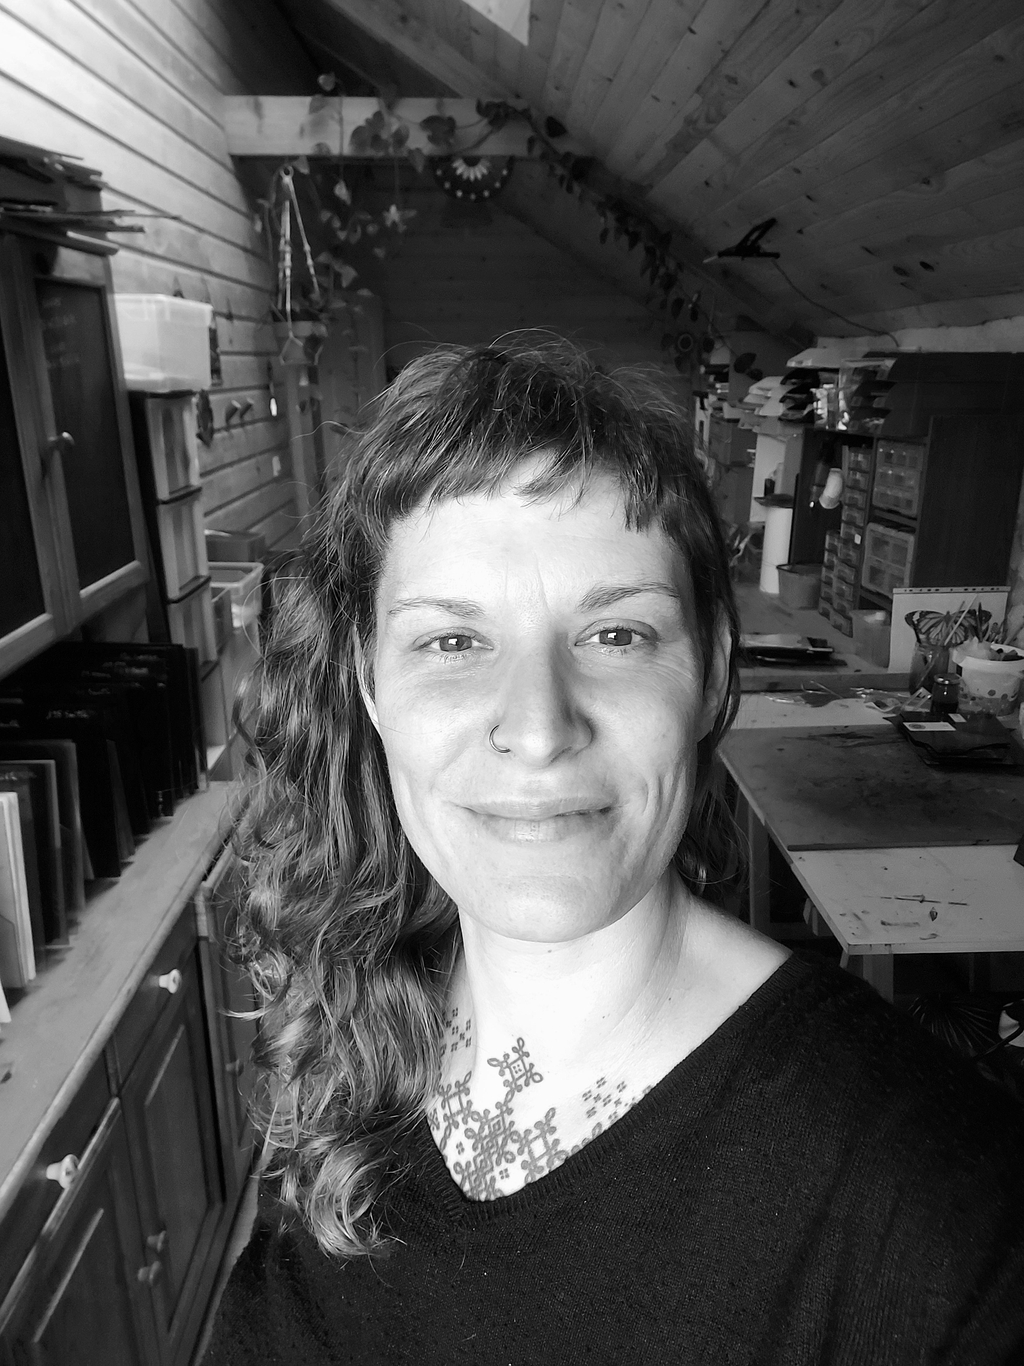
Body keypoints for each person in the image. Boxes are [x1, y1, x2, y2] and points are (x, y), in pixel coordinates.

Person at [204, 338, 1024, 1365]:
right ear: (371, 686)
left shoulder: (940, 1214)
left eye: (616, 635)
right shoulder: (349, 1034)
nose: (538, 727)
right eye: (452, 642)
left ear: (712, 673)